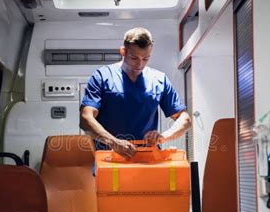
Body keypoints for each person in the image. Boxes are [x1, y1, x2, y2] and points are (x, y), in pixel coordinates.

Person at [80, 27, 191, 159]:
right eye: (134, 58)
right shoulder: (102, 76)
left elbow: (185, 119)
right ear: (123, 51)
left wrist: (162, 137)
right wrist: (114, 143)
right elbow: (86, 119)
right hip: (109, 161)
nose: (140, 64)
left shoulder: (159, 80)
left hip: (147, 161)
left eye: (146, 58)